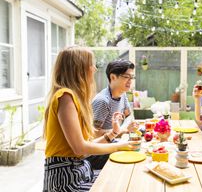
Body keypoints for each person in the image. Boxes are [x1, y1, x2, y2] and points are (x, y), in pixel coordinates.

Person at [43, 46, 138, 192]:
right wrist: (119, 145)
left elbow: (84, 146)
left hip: (79, 172)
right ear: (78, 68)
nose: (94, 69)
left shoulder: (73, 98)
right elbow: (80, 148)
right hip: (66, 179)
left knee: (123, 180)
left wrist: (113, 134)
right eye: (90, 64)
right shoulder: (65, 97)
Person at [87, 59, 138, 170]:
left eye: (132, 77)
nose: (130, 81)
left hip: (113, 142)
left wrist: (128, 127)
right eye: (126, 77)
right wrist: (122, 131)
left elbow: (129, 115)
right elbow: (93, 134)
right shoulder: (103, 101)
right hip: (97, 153)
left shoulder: (122, 94)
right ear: (113, 77)